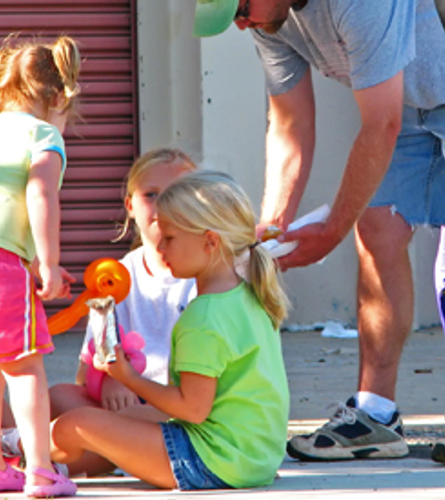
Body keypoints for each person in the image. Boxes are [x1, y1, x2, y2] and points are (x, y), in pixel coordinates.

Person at [191, 0, 445, 466]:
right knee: (376, 231)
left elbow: (381, 125)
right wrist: (272, 230)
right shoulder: (266, 19)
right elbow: (290, 124)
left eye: (241, 7)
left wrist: (331, 229)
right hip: (405, 99)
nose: (240, 22)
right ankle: (376, 414)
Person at [48, 170, 290, 490]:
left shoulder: (204, 317)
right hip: (251, 457)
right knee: (129, 420)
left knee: (76, 424)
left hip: (210, 461)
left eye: (170, 238)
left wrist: (127, 377)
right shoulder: (250, 296)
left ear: (210, 241)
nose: (160, 247)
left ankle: (21, 451)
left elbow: (191, 409)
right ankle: (52, 468)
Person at [1, 148, 198, 478]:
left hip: (178, 405)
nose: (164, 206)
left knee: (92, 428)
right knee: (61, 397)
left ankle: (27, 453)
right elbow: (88, 367)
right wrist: (108, 380)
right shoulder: (114, 275)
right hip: (125, 402)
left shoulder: (203, 274)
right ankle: (40, 455)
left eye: (178, 194)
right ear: (130, 206)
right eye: (151, 194)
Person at [0, 36, 80, 496]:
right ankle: (40, 471)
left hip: (11, 262)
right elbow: (39, 194)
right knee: (24, 368)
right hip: (5, 268)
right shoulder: (43, 134)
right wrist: (47, 264)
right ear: (57, 99)